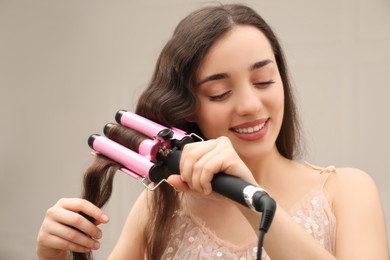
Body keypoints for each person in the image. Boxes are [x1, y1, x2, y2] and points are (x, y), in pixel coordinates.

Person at [36, 4, 389, 260]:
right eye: (219, 93)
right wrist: (53, 255)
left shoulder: (347, 192)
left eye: (264, 80)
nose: (250, 104)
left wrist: (251, 201)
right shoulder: (161, 206)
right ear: (187, 106)